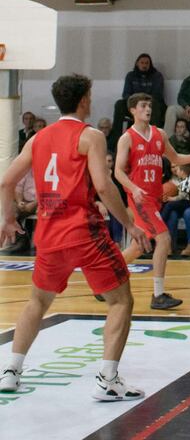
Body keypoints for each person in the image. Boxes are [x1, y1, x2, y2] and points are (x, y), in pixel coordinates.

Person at [0, 73, 151, 401]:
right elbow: (103, 185)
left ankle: (11, 371)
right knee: (121, 301)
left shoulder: (38, 138)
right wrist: (129, 225)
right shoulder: (91, 136)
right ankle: (107, 379)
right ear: (84, 100)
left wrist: (8, 218)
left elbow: (5, 182)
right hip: (84, 232)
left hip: (49, 234)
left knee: (37, 302)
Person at [115, 93, 190, 309]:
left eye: (149, 105)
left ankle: (105, 280)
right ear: (133, 110)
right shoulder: (127, 138)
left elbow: (174, 158)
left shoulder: (159, 134)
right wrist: (134, 188)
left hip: (155, 197)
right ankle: (158, 295)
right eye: (143, 106)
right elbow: (118, 172)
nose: (148, 109)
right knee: (163, 239)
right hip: (139, 198)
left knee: (139, 247)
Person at [109, 53, 165, 146]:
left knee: (156, 104)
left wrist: (142, 102)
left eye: (147, 63)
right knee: (119, 104)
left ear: (150, 64)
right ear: (137, 64)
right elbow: (126, 94)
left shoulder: (157, 76)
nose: (144, 65)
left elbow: (157, 95)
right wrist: (137, 103)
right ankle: (116, 141)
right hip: (134, 105)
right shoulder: (130, 76)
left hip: (151, 105)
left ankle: (154, 140)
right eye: (142, 63)